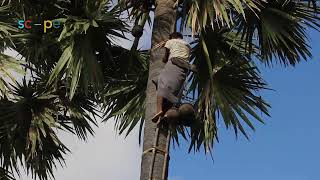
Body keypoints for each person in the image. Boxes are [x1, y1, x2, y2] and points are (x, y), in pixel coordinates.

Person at [152, 32, 195, 122]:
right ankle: (164, 114)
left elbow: (165, 57)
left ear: (173, 37)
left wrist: (164, 59)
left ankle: (159, 110)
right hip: (184, 68)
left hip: (174, 63)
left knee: (161, 83)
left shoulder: (171, 41)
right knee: (174, 93)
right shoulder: (188, 45)